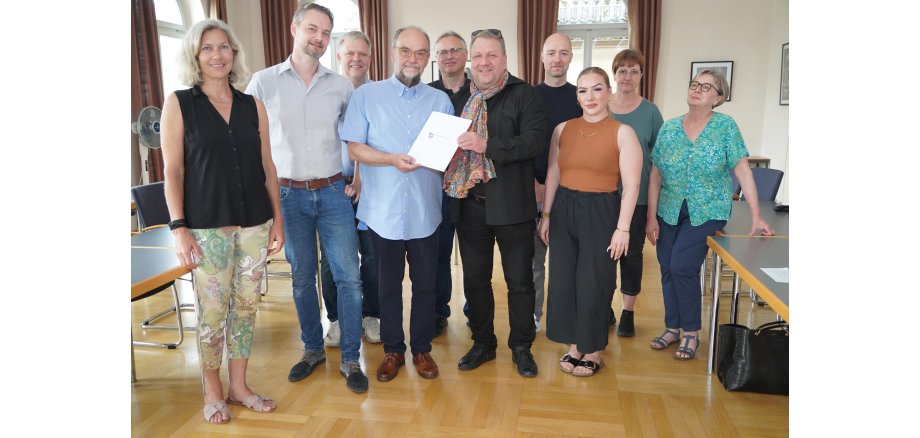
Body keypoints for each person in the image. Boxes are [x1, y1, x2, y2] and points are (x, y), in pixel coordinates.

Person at [161, 18, 283, 423]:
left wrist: (277, 221)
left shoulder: (253, 106)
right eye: (208, 48)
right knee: (213, 312)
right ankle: (212, 389)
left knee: (246, 309)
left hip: (255, 224)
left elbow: (267, 166)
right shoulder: (179, 103)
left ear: (234, 53)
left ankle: (239, 387)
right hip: (207, 226)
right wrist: (179, 227)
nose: (217, 55)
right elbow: (173, 171)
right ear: (195, 56)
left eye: (224, 47)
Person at [245, 2, 368, 393]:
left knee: (348, 278)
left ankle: (351, 358)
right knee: (302, 279)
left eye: (325, 33)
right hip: (288, 195)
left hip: (333, 192)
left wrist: (359, 177)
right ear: (295, 27)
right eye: (313, 29)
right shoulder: (263, 82)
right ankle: (312, 349)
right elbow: (249, 141)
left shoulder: (341, 86)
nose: (318, 38)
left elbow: (357, 138)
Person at [342, 25, 454, 383]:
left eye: (421, 53)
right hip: (383, 212)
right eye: (406, 51)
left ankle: (422, 349)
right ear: (393, 53)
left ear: (427, 59)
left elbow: (447, 155)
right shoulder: (367, 97)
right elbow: (354, 147)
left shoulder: (440, 102)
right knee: (386, 286)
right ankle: (393, 349)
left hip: (425, 211)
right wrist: (391, 159)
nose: (413, 59)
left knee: (426, 286)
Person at [646, 69, 775, 361]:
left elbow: (743, 169)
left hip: (708, 210)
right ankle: (672, 327)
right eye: (695, 84)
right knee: (667, 265)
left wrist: (757, 216)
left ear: (719, 98)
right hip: (669, 208)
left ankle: (691, 333)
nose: (698, 89)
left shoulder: (725, 127)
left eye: (707, 87)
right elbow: (655, 175)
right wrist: (650, 216)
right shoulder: (669, 129)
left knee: (681, 265)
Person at [445, 29, 546, 378]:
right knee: (475, 281)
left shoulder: (525, 94)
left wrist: (486, 144)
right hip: (470, 205)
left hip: (513, 207)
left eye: (492, 55)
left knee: (520, 282)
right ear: (471, 61)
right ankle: (483, 343)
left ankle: (521, 346)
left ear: (504, 59)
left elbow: (533, 143)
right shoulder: (462, 98)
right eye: (479, 56)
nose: (484, 62)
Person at [539, 67, 641, 377]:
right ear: (577, 96)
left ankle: (593, 348)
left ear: (609, 92)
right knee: (564, 279)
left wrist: (623, 228)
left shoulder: (623, 132)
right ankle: (575, 345)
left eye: (597, 89)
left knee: (594, 281)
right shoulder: (563, 129)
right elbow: (554, 172)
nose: (590, 96)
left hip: (601, 211)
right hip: (565, 208)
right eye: (583, 90)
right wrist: (546, 213)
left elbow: (632, 186)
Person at [318, 30, 380, 347]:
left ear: (371, 58)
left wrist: (361, 180)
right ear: (339, 57)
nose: (356, 59)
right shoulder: (325, 91)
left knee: (372, 257)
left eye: (363, 54)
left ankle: (372, 316)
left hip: (372, 188)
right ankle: (338, 320)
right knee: (332, 261)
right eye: (350, 53)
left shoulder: (379, 94)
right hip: (332, 188)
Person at [606, 49, 664, 337]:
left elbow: (658, 165)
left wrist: (653, 213)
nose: (627, 76)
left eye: (634, 71)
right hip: (603, 195)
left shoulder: (651, 112)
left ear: (642, 75)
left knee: (632, 255)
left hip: (638, 197)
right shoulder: (602, 106)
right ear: (614, 74)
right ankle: (603, 306)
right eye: (622, 70)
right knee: (602, 254)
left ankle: (627, 310)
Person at [532, 32, 582, 333]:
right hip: (531, 190)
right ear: (542, 57)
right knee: (534, 262)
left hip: (568, 194)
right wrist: (535, 184)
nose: (557, 59)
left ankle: (565, 320)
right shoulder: (528, 95)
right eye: (552, 53)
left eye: (564, 53)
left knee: (566, 264)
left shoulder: (580, 97)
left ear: (570, 58)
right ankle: (534, 316)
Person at [427, 31, 471, 336]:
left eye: (455, 50)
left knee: (473, 257)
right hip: (435, 187)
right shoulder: (426, 94)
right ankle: (438, 312)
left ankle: (475, 312)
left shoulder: (480, 92)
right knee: (438, 255)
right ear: (436, 58)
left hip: (472, 190)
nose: (449, 56)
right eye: (443, 52)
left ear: (465, 54)